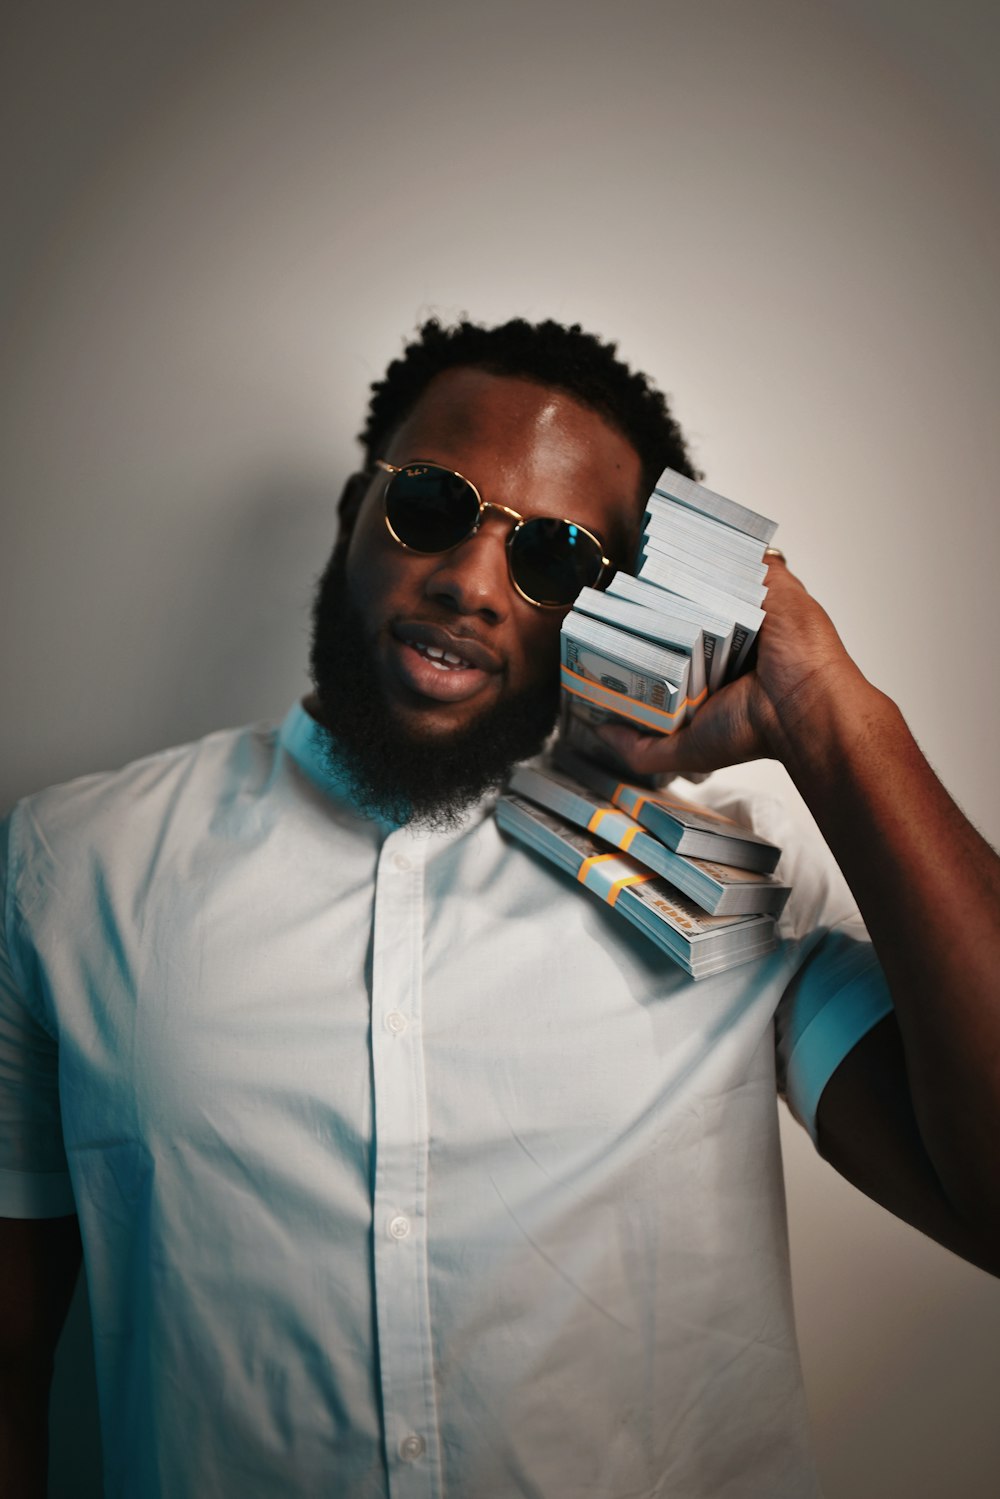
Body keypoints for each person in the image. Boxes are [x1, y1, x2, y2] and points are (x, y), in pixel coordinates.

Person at [1, 316, 998, 1498]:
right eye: (430, 501)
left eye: (557, 558)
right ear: (351, 516)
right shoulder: (71, 868)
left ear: (623, 613)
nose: (472, 580)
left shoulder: (736, 868)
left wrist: (835, 717)